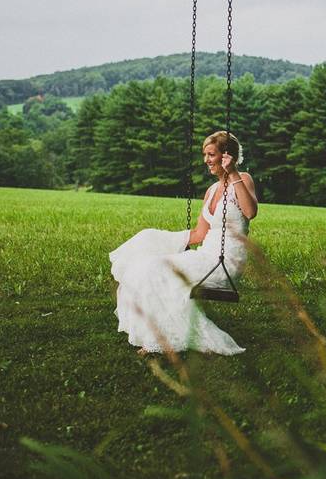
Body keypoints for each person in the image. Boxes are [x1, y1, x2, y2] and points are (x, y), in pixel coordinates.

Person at [109, 131, 258, 355]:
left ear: (227, 156)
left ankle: (166, 339)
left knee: (157, 270)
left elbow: (250, 211)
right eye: (204, 154)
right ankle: (159, 335)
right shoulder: (211, 191)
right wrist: (156, 237)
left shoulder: (242, 179)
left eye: (211, 154)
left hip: (225, 261)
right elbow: (199, 234)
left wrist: (233, 172)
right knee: (146, 267)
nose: (206, 160)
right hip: (205, 254)